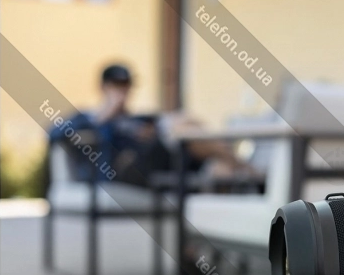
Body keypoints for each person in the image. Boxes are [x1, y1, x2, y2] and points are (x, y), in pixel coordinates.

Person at [49, 64, 249, 186]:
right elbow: (53, 134)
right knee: (182, 128)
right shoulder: (88, 116)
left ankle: (241, 174)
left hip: (158, 161)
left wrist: (152, 130)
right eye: (117, 85)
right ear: (104, 87)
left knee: (218, 165)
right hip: (121, 169)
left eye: (126, 85)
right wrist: (105, 115)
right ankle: (249, 171)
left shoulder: (137, 118)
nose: (123, 91)